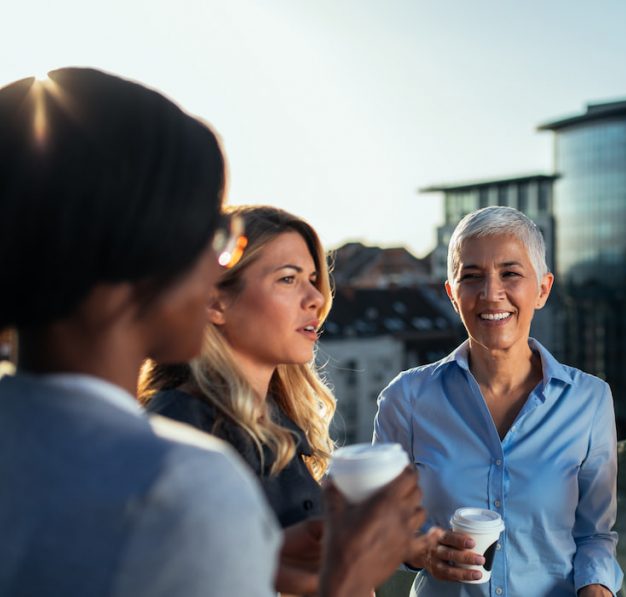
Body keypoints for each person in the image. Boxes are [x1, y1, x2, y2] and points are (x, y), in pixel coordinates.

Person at [0, 67, 433, 597]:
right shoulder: (178, 483)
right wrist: (345, 581)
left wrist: (253, 562)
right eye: (214, 235)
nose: (215, 266)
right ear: (139, 248)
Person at [373, 206, 623, 596]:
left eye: (510, 273)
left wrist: (597, 587)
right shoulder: (405, 399)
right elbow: (383, 528)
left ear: (542, 289)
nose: (491, 293)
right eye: (471, 277)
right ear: (452, 294)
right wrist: (423, 550)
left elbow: (595, 534)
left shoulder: (589, 400)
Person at [140, 205, 335, 530]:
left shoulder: (280, 425)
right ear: (215, 303)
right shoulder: (178, 429)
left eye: (313, 280)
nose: (315, 297)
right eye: (288, 279)